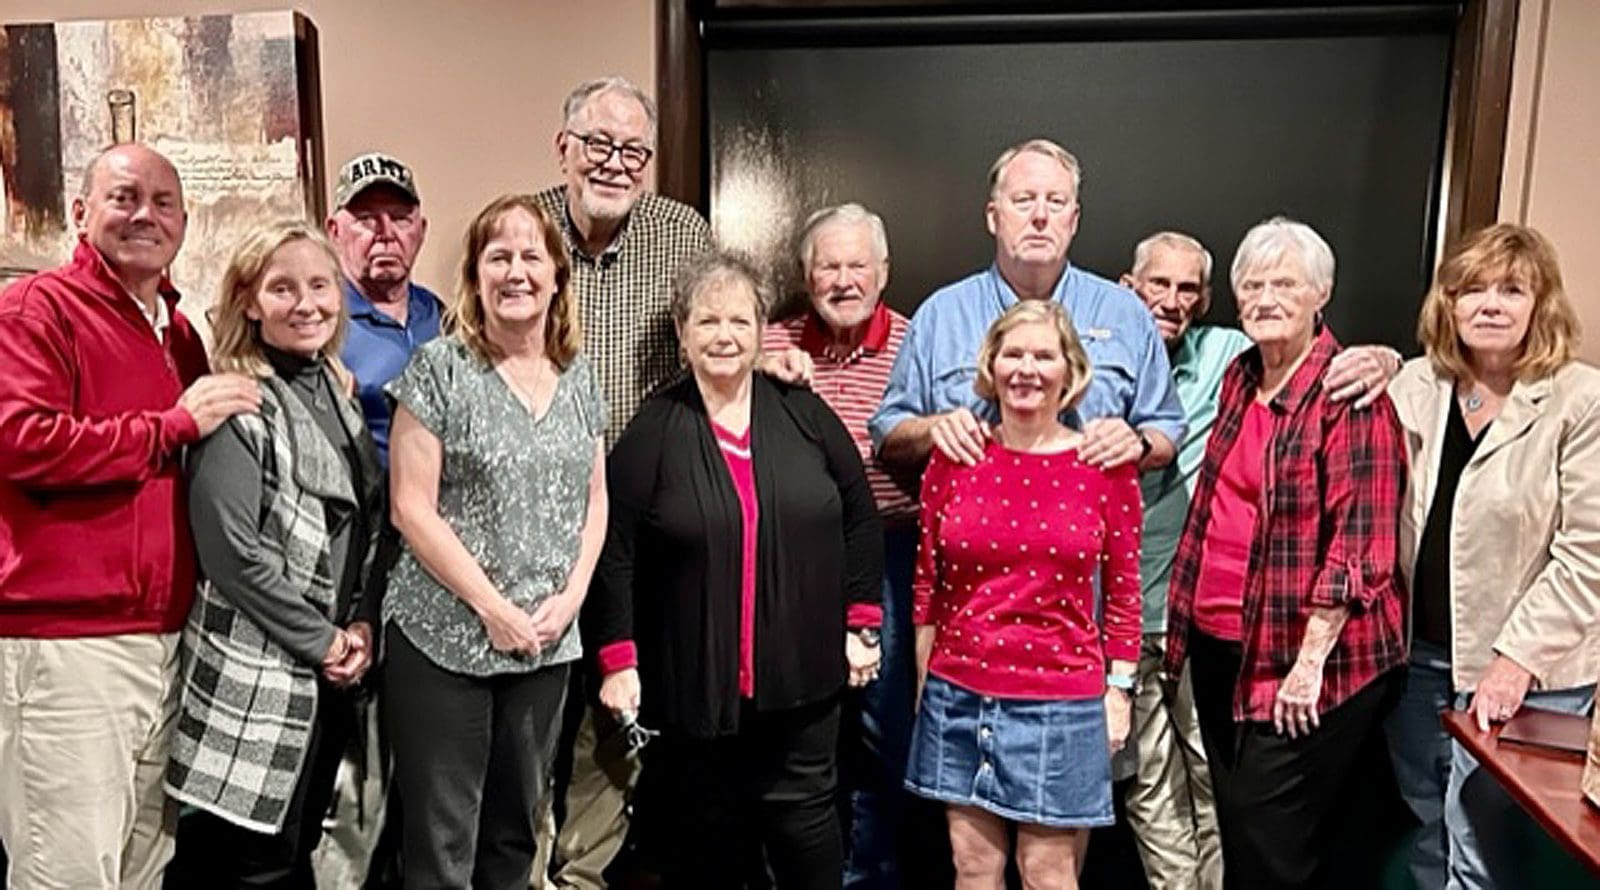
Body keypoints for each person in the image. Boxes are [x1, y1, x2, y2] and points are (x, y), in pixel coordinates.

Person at [0, 143, 259, 889]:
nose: (145, 214)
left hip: (166, 641)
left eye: (163, 202)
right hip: (69, 647)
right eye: (124, 197)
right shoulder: (37, 309)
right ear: (82, 213)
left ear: (184, 222)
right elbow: (22, 441)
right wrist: (168, 427)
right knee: (67, 871)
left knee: (144, 867)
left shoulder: (181, 334)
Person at [586, 251, 884, 889]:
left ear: (761, 331)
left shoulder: (804, 413)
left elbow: (861, 514)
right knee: (707, 851)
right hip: (692, 691)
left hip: (803, 684)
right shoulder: (653, 429)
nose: (724, 336)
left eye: (739, 321)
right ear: (682, 332)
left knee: (807, 837)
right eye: (707, 321)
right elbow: (615, 550)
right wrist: (617, 658)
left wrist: (861, 624)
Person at [1116, 231, 1402, 890]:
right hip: (1219, 648)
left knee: (1270, 842)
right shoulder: (1240, 374)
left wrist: (1308, 666)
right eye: (1254, 285)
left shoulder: (1346, 392)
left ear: (1321, 293)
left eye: (1285, 284)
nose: (1267, 298)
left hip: (1299, 658)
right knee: (1244, 832)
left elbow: (1360, 543)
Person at [385, 194, 608, 888]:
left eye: (531, 256)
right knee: (442, 846)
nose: (516, 272)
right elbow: (410, 507)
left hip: (544, 642)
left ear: (557, 275)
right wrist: (491, 607)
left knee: (516, 836)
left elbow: (596, 500)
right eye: (498, 257)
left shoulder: (579, 376)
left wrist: (571, 598)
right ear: (475, 275)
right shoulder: (439, 368)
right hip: (444, 640)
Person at [531, 75, 714, 890]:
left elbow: (716, 332)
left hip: (639, 519)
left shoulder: (682, 233)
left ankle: (583, 875)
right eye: (598, 144)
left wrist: (772, 359)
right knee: (530, 708)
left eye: (633, 150)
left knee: (616, 703)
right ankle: (523, 869)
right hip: (535, 513)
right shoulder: (522, 226)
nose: (614, 163)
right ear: (563, 147)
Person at [163, 221, 383, 886]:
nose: (306, 303)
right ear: (249, 302)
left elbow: (364, 524)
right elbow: (232, 554)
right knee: (249, 863)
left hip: (327, 669)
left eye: (320, 285)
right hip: (258, 670)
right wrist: (325, 640)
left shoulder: (334, 390)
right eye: (282, 288)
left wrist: (359, 625)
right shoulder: (239, 402)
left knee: (294, 849)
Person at [1384, 223, 1600, 890]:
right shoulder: (1414, 384)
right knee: (1427, 826)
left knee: (1487, 844)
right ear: (1447, 303)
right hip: (1421, 659)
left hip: (1534, 672)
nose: (1490, 305)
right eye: (1471, 289)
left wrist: (1516, 660)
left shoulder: (1581, 399)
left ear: (1541, 304)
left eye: (1511, 290)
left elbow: (1589, 553)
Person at [908, 299, 1143, 889]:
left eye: (1043, 355)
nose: (1026, 370)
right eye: (1012, 354)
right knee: (973, 868)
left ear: (1071, 370)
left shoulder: (1104, 467)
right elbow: (928, 584)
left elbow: (1123, 593)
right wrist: (923, 683)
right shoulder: (955, 457)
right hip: (958, 693)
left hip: (1061, 701)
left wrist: (1119, 692)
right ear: (991, 365)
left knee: (1048, 873)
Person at [871, 137, 1184, 489]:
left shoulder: (1126, 314)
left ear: (1074, 220)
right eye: (1023, 200)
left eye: (1056, 202)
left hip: (1092, 516)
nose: (1040, 217)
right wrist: (934, 430)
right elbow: (887, 432)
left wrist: (1138, 443)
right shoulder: (941, 316)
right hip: (971, 515)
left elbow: (1167, 426)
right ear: (993, 217)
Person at [762, 203, 918, 888]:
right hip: (792, 562)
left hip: (889, 552)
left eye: (859, 265)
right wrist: (763, 366)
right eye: (829, 266)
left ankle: (873, 873)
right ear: (806, 275)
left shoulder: (917, 341)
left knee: (886, 727)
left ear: (883, 272)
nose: (845, 280)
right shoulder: (771, 340)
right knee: (794, 725)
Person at [315, 150, 443, 890]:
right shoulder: (319, 318)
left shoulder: (443, 316)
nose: (384, 233)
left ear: (421, 228)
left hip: (439, 557)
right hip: (357, 557)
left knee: (428, 762)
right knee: (357, 776)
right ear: (335, 230)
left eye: (399, 217)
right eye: (366, 219)